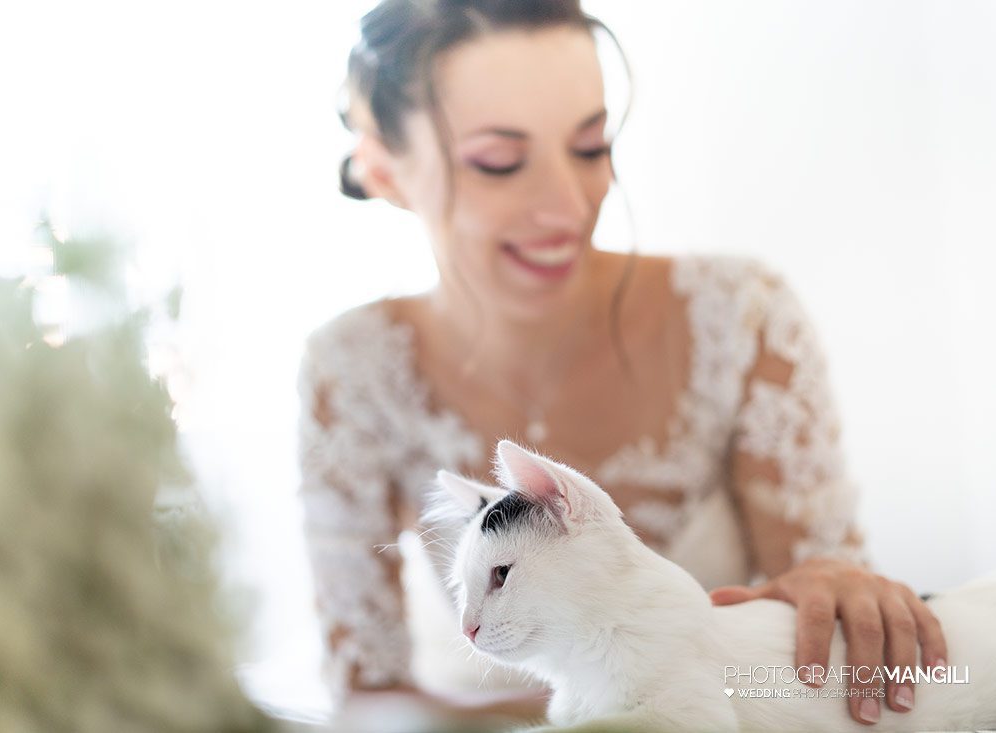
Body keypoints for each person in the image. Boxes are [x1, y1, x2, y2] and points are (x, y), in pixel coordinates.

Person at [298, 0, 947, 728]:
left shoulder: (737, 316)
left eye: (590, 146)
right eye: (499, 161)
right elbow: (365, 693)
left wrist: (837, 593)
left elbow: (826, 648)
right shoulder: (352, 367)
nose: (568, 204)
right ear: (384, 170)